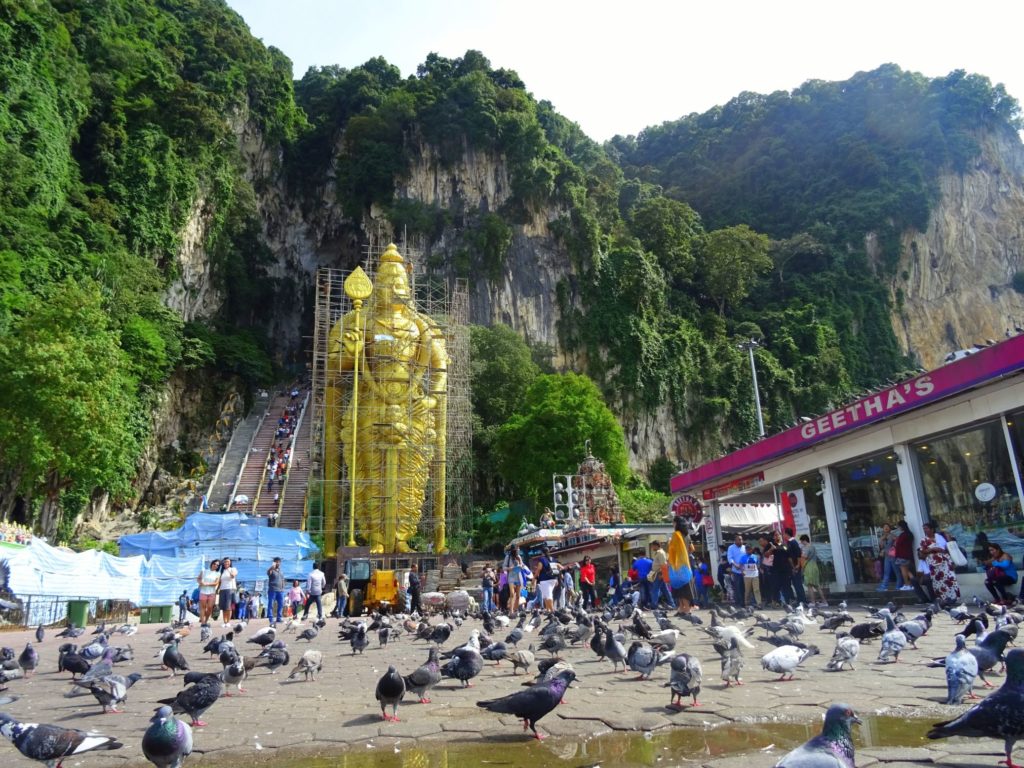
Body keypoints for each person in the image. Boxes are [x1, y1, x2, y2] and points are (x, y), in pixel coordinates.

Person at [325, 243, 449, 554]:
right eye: (386, 282)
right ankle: (376, 538)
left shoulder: (423, 326)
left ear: (408, 287)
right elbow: (334, 369)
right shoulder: (357, 322)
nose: (392, 288)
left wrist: (432, 399)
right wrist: (352, 355)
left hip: (412, 408)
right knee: (369, 473)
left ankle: (402, 537)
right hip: (370, 404)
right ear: (375, 285)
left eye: (399, 283)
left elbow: (441, 367)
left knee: (411, 475)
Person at [918, 521, 961, 606]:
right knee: (938, 581)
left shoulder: (940, 537)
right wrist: (932, 549)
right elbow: (922, 551)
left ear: (932, 529)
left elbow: (948, 546)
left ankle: (953, 597)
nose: (925, 530)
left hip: (945, 561)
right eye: (924, 529)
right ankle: (943, 600)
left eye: (926, 528)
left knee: (950, 578)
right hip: (933, 564)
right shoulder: (924, 540)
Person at [800, 534, 826, 605]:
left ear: (804, 540)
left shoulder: (807, 547)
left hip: (809, 567)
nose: (801, 543)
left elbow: (804, 557)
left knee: (809, 585)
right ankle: (824, 602)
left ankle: (813, 602)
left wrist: (802, 566)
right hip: (814, 566)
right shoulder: (813, 547)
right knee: (817, 585)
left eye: (802, 541)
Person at [532, 545, 559, 612]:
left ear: (542, 552)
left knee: (548, 595)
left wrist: (534, 578)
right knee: (546, 595)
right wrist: (557, 579)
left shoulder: (542, 559)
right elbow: (556, 569)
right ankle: (548, 610)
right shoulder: (553, 559)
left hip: (545, 579)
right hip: (553, 579)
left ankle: (553, 611)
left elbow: (539, 569)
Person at [877, 523, 903, 591]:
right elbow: (881, 547)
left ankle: (899, 585)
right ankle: (884, 586)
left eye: (887, 527)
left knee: (897, 571)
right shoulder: (882, 537)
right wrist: (882, 540)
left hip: (893, 556)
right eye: (884, 527)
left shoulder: (893, 536)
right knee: (886, 571)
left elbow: (898, 542)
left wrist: (894, 544)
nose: (886, 528)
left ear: (890, 528)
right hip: (886, 556)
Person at [648, 541, 673, 609]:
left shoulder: (660, 553)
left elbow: (664, 564)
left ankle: (654, 605)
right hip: (657, 573)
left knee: (655, 590)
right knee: (665, 590)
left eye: (653, 546)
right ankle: (672, 604)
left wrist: (661, 574)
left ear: (656, 546)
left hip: (659, 574)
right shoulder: (657, 553)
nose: (652, 547)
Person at [196, 558, 221, 626]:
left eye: (217, 565)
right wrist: (200, 582)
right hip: (203, 591)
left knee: (210, 608)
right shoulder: (204, 571)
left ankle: (206, 620)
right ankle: (203, 622)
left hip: (212, 592)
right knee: (203, 607)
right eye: (214, 564)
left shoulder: (218, 573)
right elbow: (198, 578)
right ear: (212, 564)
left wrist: (207, 584)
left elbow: (216, 583)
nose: (215, 565)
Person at [785, 528, 806, 604]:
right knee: (795, 584)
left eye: (784, 534)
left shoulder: (793, 542)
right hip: (792, 567)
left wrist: (797, 565)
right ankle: (800, 600)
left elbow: (798, 555)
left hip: (796, 567)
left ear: (787, 534)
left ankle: (803, 600)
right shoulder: (788, 543)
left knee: (798, 584)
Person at [893, 522, 916, 591]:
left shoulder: (903, 535)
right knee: (908, 571)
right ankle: (913, 584)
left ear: (901, 527)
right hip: (908, 555)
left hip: (902, 555)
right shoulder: (910, 534)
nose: (898, 528)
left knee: (904, 571)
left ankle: (907, 584)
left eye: (898, 527)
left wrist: (895, 541)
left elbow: (898, 544)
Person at [726, 534, 746, 606]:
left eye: (741, 539)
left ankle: (744, 602)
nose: (741, 541)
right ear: (735, 541)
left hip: (745, 571)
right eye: (739, 540)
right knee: (738, 587)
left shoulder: (744, 547)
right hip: (736, 571)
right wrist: (735, 565)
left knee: (745, 587)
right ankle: (739, 602)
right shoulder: (731, 548)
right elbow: (730, 558)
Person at [218, 557, 238, 627]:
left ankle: (228, 622)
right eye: (225, 562)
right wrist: (217, 589)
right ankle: (224, 621)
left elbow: (233, 576)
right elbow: (220, 581)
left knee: (228, 606)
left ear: (230, 563)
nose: (226, 563)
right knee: (223, 607)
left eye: (228, 562)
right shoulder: (222, 571)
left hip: (230, 589)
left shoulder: (233, 569)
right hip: (222, 589)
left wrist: (228, 569)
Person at [504, 546, 525, 614]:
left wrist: (520, 565)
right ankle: (511, 611)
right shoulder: (508, 557)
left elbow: (522, 565)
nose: (517, 551)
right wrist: (510, 568)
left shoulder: (519, 556)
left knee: (518, 595)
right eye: (516, 550)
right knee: (512, 594)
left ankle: (515, 610)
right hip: (511, 577)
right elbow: (504, 567)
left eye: (517, 550)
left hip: (518, 576)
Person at [266, 556, 286, 627]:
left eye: (279, 562)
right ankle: (271, 619)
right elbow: (268, 572)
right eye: (276, 562)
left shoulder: (281, 571)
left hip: (280, 591)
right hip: (272, 590)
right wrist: (272, 567)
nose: (278, 563)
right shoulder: (271, 570)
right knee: (270, 605)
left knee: (281, 604)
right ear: (274, 562)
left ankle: (279, 618)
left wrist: (283, 588)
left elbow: (283, 580)